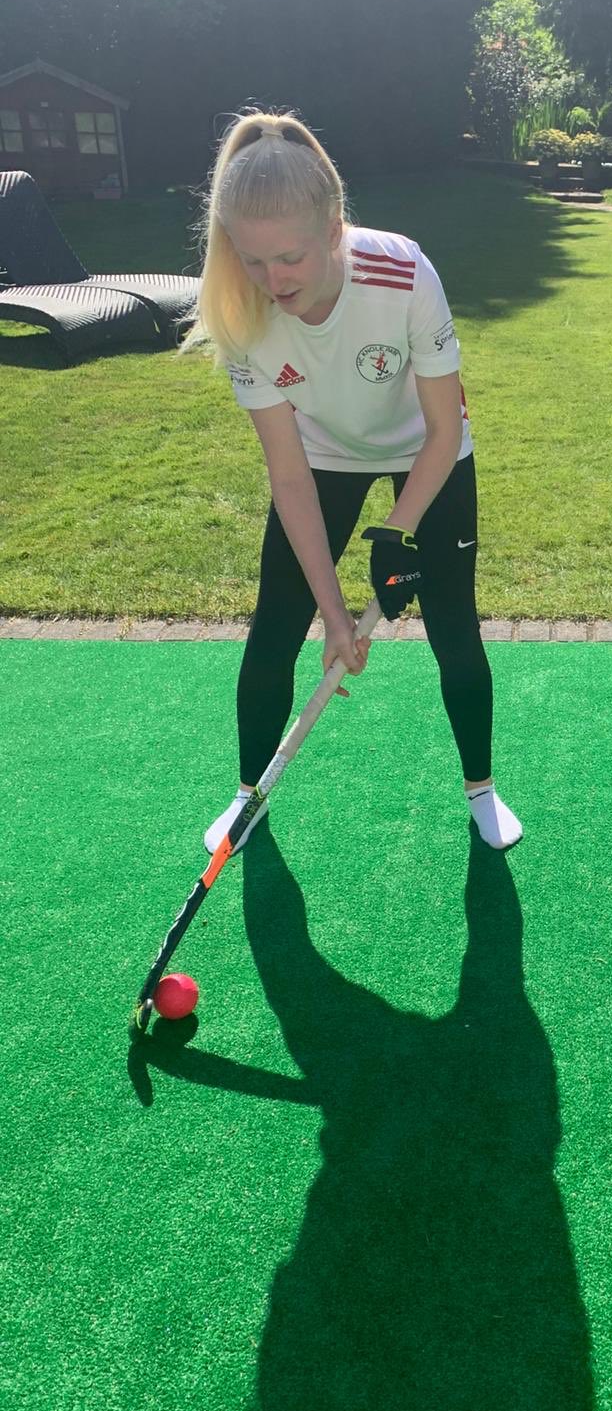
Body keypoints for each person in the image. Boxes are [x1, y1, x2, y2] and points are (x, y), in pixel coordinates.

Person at [184, 110, 520, 854]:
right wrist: (335, 615)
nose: (273, 281)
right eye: (253, 260)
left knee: (456, 628)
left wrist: (397, 532)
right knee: (276, 624)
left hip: (426, 454)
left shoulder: (404, 272)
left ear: (335, 227)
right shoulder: (242, 314)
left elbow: (442, 430)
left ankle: (482, 788)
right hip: (321, 458)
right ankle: (248, 796)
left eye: (291, 258)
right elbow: (288, 475)